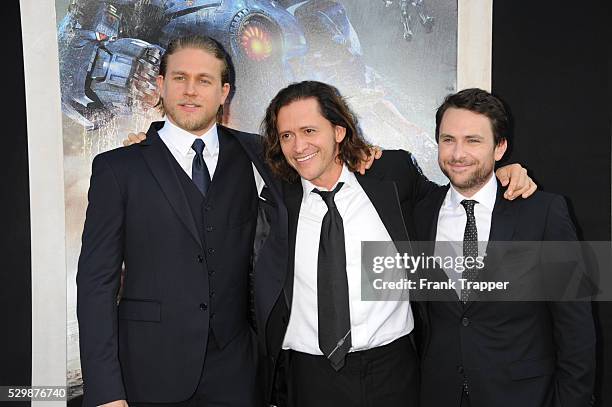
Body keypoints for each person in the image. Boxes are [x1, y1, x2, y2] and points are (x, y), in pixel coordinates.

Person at [257, 81, 536, 406]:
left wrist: (502, 173)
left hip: (395, 369)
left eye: (308, 130)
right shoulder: (277, 197)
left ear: (338, 131)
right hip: (309, 376)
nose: (298, 145)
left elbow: (453, 201)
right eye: (286, 135)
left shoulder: (391, 173)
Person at [76, 35, 289, 407]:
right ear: (160, 85)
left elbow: (322, 163)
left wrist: (368, 156)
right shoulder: (117, 169)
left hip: (238, 376)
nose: (191, 91)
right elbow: (96, 284)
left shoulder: (260, 155)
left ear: (224, 92)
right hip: (147, 375)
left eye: (204, 80)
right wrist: (106, 392)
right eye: (179, 78)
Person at [412, 88, 596, 407]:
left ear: (500, 148)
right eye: (448, 139)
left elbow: (576, 329)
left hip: (523, 396)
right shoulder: (420, 212)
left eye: (473, 140)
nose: (458, 153)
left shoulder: (543, 213)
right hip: (438, 393)